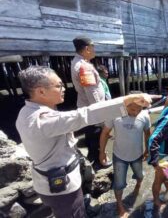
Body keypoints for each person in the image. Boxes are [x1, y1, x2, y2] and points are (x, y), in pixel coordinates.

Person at [15, 66, 155, 218]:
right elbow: (84, 115)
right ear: (41, 91)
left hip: (51, 181)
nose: (64, 88)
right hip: (63, 189)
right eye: (59, 85)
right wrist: (126, 101)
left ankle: (84, 207)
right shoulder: (43, 120)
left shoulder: (26, 112)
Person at [99, 100, 151, 218]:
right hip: (119, 156)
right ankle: (120, 205)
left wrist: (147, 150)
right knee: (119, 183)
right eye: (133, 109)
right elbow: (105, 133)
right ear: (125, 105)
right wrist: (102, 152)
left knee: (140, 176)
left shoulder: (144, 115)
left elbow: (147, 133)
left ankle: (138, 186)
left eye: (139, 109)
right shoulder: (115, 114)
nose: (136, 112)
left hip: (137, 155)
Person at [70, 36, 108, 169]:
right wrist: (101, 113)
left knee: (90, 135)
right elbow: (92, 93)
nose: (94, 50)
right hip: (92, 110)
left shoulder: (76, 62)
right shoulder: (84, 67)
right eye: (93, 47)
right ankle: (99, 161)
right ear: (87, 49)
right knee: (96, 135)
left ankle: (93, 157)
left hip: (85, 107)